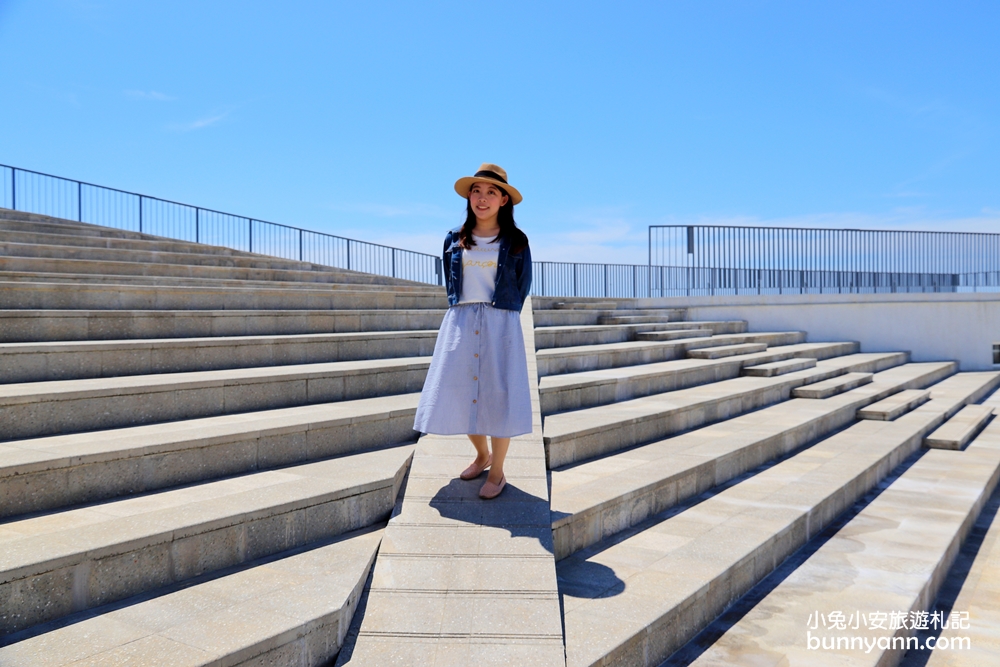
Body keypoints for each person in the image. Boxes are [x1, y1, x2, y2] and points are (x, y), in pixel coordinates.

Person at [413, 163, 533, 499]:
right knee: (459, 392)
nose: (482, 198)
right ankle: (482, 456)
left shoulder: (516, 241)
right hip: (462, 321)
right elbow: (451, 283)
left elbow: (522, 286)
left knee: (500, 398)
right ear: (469, 196)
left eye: (491, 192)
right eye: (476, 191)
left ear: (504, 201)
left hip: (501, 322)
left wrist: (502, 320)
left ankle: (498, 472)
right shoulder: (454, 238)